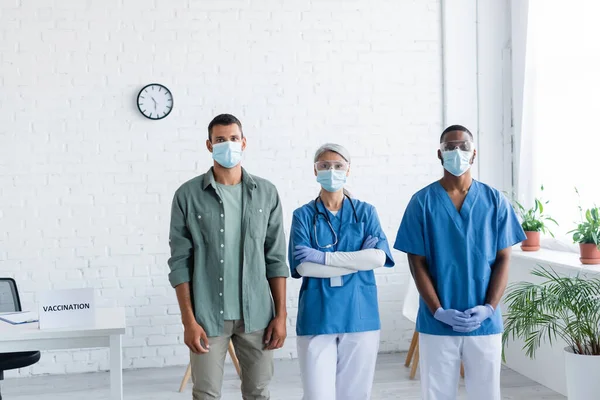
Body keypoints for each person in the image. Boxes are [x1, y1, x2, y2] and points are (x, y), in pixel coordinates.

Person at [393, 125, 526, 400]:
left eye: (463, 146)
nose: (457, 152)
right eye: (449, 147)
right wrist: (438, 310)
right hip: (437, 322)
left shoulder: (495, 201)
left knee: (486, 393)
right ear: (439, 154)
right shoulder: (422, 203)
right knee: (437, 393)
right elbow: (416, 263)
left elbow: (504, 259)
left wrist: (489, 308)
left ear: (474, 153)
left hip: (484, 323)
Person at [167, 114, 289, 400]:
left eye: (233, 138)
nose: (228, 144)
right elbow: (179, 263)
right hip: (207, 317)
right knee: (206, 394)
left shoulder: (266, 193)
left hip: (257, 316)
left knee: (259, 392)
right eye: (220, 140)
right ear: (209, 145)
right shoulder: (187, 195)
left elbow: (276, 259)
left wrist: (281, 315)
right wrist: (188, 321)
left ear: (244, 142)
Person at [288, 143, 395, 400]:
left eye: (338, 166)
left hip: (360, 314)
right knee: (317, 395)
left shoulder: (365, 212)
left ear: (348, 170)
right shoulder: (303, 215)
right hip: (318, 314)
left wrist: (324, 257)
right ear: (315, 170)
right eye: (324, 166)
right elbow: (304, 266)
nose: (331, 171)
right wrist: (358, 259)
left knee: (356, 394)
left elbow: (378, 258)